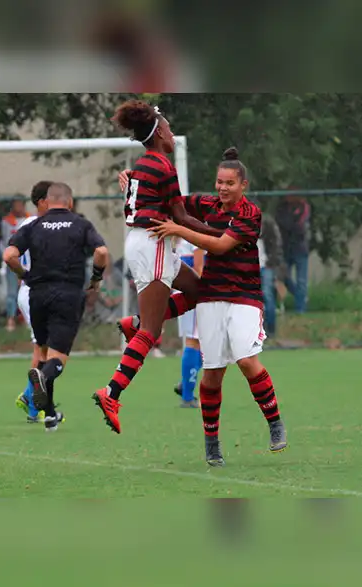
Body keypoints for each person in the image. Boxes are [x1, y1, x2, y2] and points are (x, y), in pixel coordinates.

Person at [149, 147, 288, 466]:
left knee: (246, 360)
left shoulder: (250, 214)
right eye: (219, 182)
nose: (222, 188)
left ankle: (275, 423)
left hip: (244, 296)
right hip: (211, 297)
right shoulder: (207, 204)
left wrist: (180, 230)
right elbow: (171, 201)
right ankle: (212, 443)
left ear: (243, 185)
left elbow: (221, 245)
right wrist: (135, 182)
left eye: (229, 183)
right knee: (212, 374)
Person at [91, 99, 221, 434]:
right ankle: (111, 393)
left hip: (146, 242)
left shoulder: (144, 165)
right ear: (160, 132)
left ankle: (133, 323)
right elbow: (181, 217)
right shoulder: (162, 166)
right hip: (153, 244)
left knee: (199, 291)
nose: (172, 133)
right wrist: (221, 236)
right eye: (169, 128)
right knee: (150, 333)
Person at [4, 182, 109, 432]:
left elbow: (9, 256)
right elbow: (102, 252)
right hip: (67, 295)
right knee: (57, 359)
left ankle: (49, 414)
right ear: (70, 202)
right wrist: (96, 277)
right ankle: (40, 384)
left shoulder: (33, 225)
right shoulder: (80, 224)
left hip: (37, 295)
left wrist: (24, 274)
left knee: (43, 353)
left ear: (47, 202)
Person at [13, 180, 53, 424]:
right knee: (44, 350)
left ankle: (30, 398)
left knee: (47, 350)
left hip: (36, 291)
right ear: (41, 202)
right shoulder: (40, 226)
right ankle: (33, 405)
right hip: (34, 292)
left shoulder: (27, 225)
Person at [172, 237, 205, 408]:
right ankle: (187, 397)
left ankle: (185, 383)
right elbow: (199, 268)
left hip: (184, 289)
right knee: (194, 341)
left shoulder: (186, 231)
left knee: (208, 343)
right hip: (193, 291)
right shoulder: (196, 230)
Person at [276, 192, 311, 314]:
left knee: (301, 280)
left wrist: (290, 225)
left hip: (300, 249)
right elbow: (281, 223)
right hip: (285, 248)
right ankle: (301, 296)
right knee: (284, 277)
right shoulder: (282, 208)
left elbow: (299, 227)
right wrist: (290, 224)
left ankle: (300, 309)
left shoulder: (304, 207)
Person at [2, 197, 31, 331]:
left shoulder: (31, 220)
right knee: (12, 292)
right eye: (16, 204)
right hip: (13, 260)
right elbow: (4, 241)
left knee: (27, 290)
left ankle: (27, 318)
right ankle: (11, 318)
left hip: (28, 262)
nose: (18, 207)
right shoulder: (6, 221)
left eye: (20, 204)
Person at [258, 212, 286, 338]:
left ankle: (270, 328)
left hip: (266, 265)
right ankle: (258, 328)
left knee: (267, 294)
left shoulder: (267, 225)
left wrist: (272, 262)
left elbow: (275, 246)